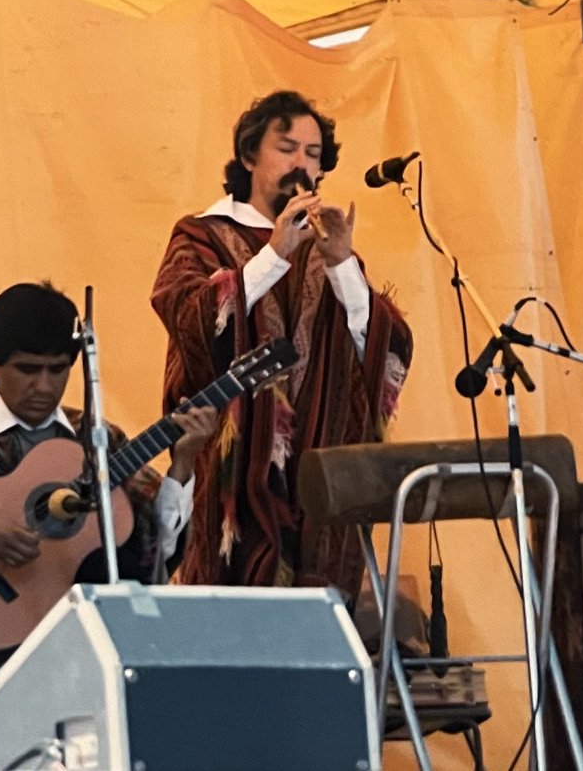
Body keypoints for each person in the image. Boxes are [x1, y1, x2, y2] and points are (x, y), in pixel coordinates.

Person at [0, 281, 217, 768]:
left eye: (58, 370)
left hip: (70, 672)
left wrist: (182, 467)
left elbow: (159, 545)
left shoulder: (97, 441)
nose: (45, 386)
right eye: (28, 370)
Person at [151, 90, 413, 597]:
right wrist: (272, 256)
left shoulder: (332, 254)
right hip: (232, 484)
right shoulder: (200, 235)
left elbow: (386, 354)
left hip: (318, 491)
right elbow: (188, 318)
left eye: (313, 155)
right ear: (250, 156)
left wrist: (340, 263)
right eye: (287, 148)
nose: (301, 164)